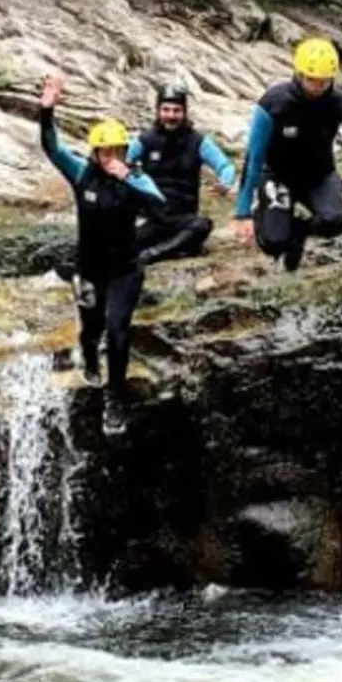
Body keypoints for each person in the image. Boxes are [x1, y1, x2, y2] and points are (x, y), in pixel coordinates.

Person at [38, 75, 167, 436]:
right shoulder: (82, 173)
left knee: (117, 331)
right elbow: (52, 147)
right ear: (95, 154)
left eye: (118, 152)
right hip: (89, 268)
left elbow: (162, 214)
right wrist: (46, 111)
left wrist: (130, 180)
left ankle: (116, 398)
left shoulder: (136, 179)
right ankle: (89, 355)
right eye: (106, 153)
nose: (112, 158)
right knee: (92, 329)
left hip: (125, 269)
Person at [231, 37, 342, 271]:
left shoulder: (341, 105)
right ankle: (266, 215)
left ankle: (298, 230)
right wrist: (243, 214)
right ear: (298, 74)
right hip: (277, 176)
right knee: (274, 242)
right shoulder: (273, 104)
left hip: (319, 175)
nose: (317, 87)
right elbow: (254, 158)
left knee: (334, 223)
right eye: (311, 80)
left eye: (324, 82)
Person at [126, 82, 237, 265]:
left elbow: (226, 166)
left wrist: (225, 183)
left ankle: (153, 255)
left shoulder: (198, 141)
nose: (171, 116)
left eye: (176, 110)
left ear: (184, 112)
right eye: (166, 110)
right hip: (153, 217)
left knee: (202, 225)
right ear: (158, 111)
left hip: (183, 217)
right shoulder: (145, 140)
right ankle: (176, 247)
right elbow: (120, 161)